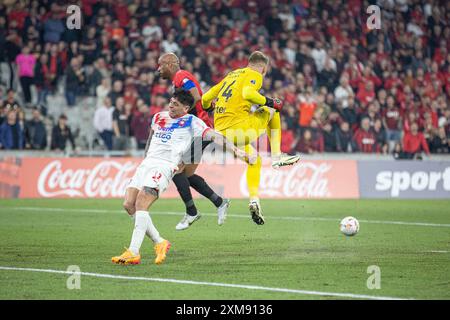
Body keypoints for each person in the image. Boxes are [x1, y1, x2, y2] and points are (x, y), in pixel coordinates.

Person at [112, 90, 251, 265]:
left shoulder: (192, 122)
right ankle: (159, 242)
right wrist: (146, 157)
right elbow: (151, 137)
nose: (170, 105)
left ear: (186, 108)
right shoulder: (159, 117)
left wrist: (238, 152)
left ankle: (133, 252)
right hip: (146, 164)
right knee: (129, 204)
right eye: (170, 101)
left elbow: (215, 136)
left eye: (176, 104)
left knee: (141, 203)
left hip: (164, 165)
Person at [201, 51, 300, 225]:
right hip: (239, 130)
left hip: (222, 136)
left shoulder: (231, 75)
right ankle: (277, 156)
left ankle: (254, 200)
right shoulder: (255, 75)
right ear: (263, 67)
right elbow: (248, 93)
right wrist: (270, 101)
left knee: (255, 160)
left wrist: (210, 108)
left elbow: (205, 99)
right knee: (272, 111)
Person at [157, 52, 230, 230]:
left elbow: (196, 96)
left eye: (160, 65)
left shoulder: (181, 76)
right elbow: (200, 100)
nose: (158, 70)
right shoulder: (177, 81)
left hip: (199, 130)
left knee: (177, 170)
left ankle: (192, 212)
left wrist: (185, 119)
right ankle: (220, 202)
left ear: (170, 64)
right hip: (197, 130)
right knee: (186, 175)